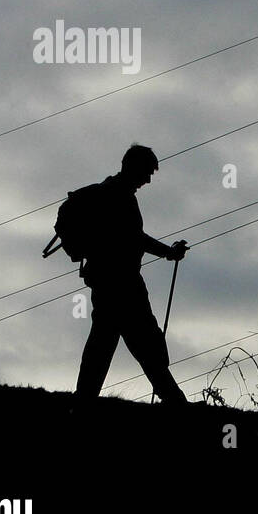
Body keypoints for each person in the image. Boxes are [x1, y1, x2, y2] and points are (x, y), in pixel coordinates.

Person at [74, 144, 191, 406]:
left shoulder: (109, 193)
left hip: (106, 282)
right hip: (123, 284)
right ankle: (175, 402)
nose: (148, 180)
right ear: (133, 167)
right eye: (147, 172)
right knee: (144, 343)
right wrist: (167, 252)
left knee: (105, 344)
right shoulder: (119, 197)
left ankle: (82, 402)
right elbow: (135, 239)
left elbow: (133, 239)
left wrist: (166, 252)